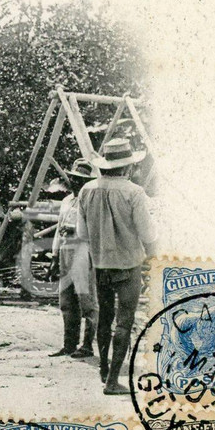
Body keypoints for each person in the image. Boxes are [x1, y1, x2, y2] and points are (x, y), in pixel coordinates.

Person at [77, 138, 157, 395]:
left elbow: (81, 233)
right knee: (124, 321)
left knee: (105, 317)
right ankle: (113, 381)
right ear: (128, 167)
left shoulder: (87, 190)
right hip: (128, 265)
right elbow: (147, 234)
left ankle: (104, 370)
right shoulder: (134, 192)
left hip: (100, 264)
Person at [49, 159, 98, 359]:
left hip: (83, 250)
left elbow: (94, 230)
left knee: (86, 299)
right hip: (65, 251)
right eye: (73, 178)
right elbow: (58, 229)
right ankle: (69, 344)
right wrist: (54, 256)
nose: (76, 182)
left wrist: (74, 230)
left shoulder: (92, 201)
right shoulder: (67, 201)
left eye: (81, 179)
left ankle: (87, 345)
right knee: (66, 299)